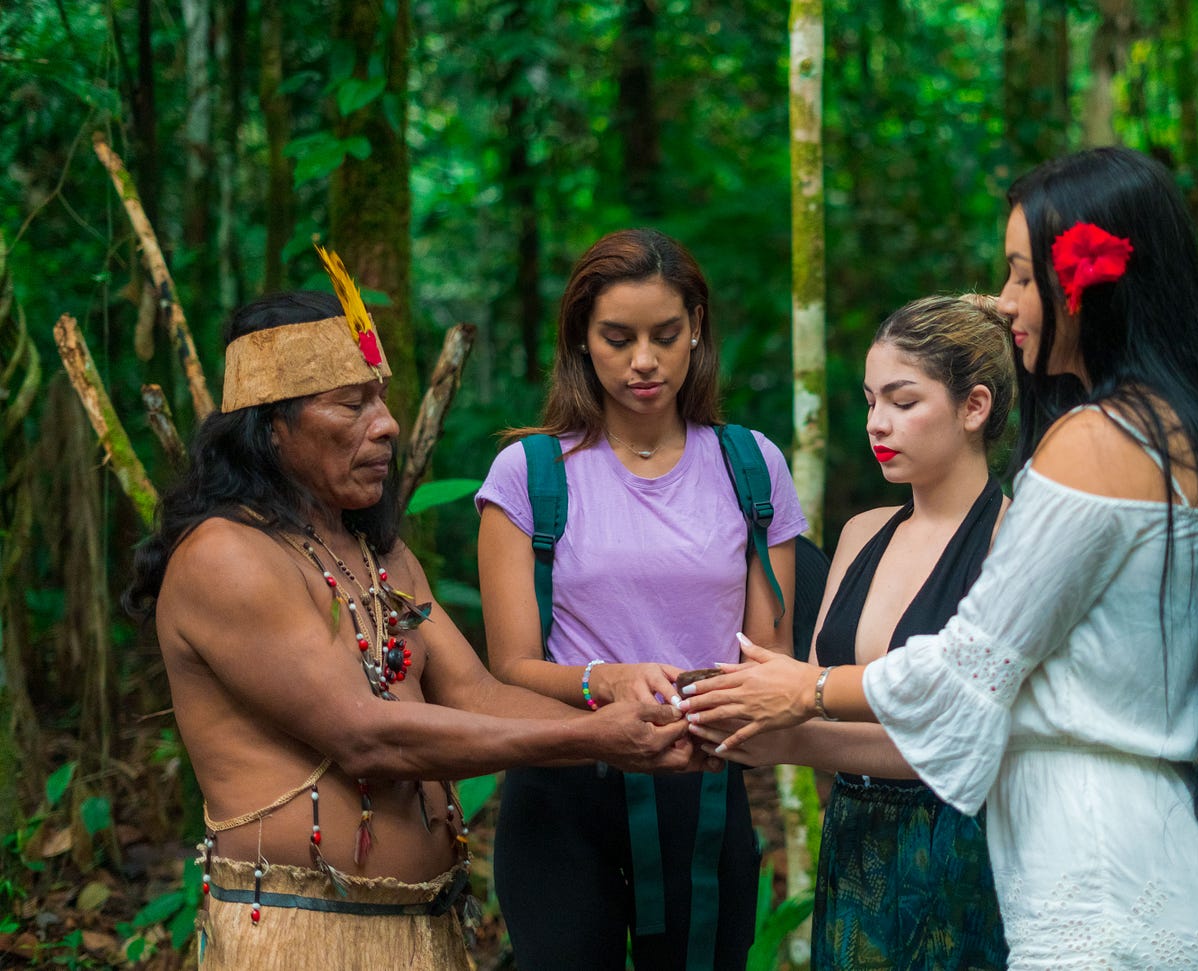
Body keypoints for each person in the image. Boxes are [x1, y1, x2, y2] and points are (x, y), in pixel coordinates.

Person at [681, 147, 1198, 968]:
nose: (1006, 302)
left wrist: (806, 688)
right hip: (1150, 862)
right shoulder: (1176, 425)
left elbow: (970, 669)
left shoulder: (1096, 441)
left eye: (1020, 275)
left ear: (1090, 281)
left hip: (1098, 882)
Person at [123, 270, 692, 971]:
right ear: (270, 429)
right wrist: (597, 735)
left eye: (382, 399)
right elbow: (365, 737)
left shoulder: (373, 548)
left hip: (424, 929)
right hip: (304, 942)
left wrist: (631, 708)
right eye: (350, 404)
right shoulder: (225, 557)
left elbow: (478, 696)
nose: (387, 424)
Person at [474, 227, 807, 971]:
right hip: (562, 785)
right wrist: (608, 679)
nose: (645, 361)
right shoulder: (528, 473)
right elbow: (511, 667)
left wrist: (702, 702)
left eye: (664, 334)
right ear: (582, 341)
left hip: (703, 790)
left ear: (696, 326)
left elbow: (768, 658)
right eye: (618, 338)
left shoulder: (753, 467)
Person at [694, 293, 1015, 969]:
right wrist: (721, 713)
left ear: (975, 407)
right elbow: (805, 704)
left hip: (965, 856)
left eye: (902, 401)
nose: (877, 423)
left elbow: (976, 744)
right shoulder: (861, 532)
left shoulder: (1014, 539)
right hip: (854, 850)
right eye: (871, 401)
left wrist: (786, 721)